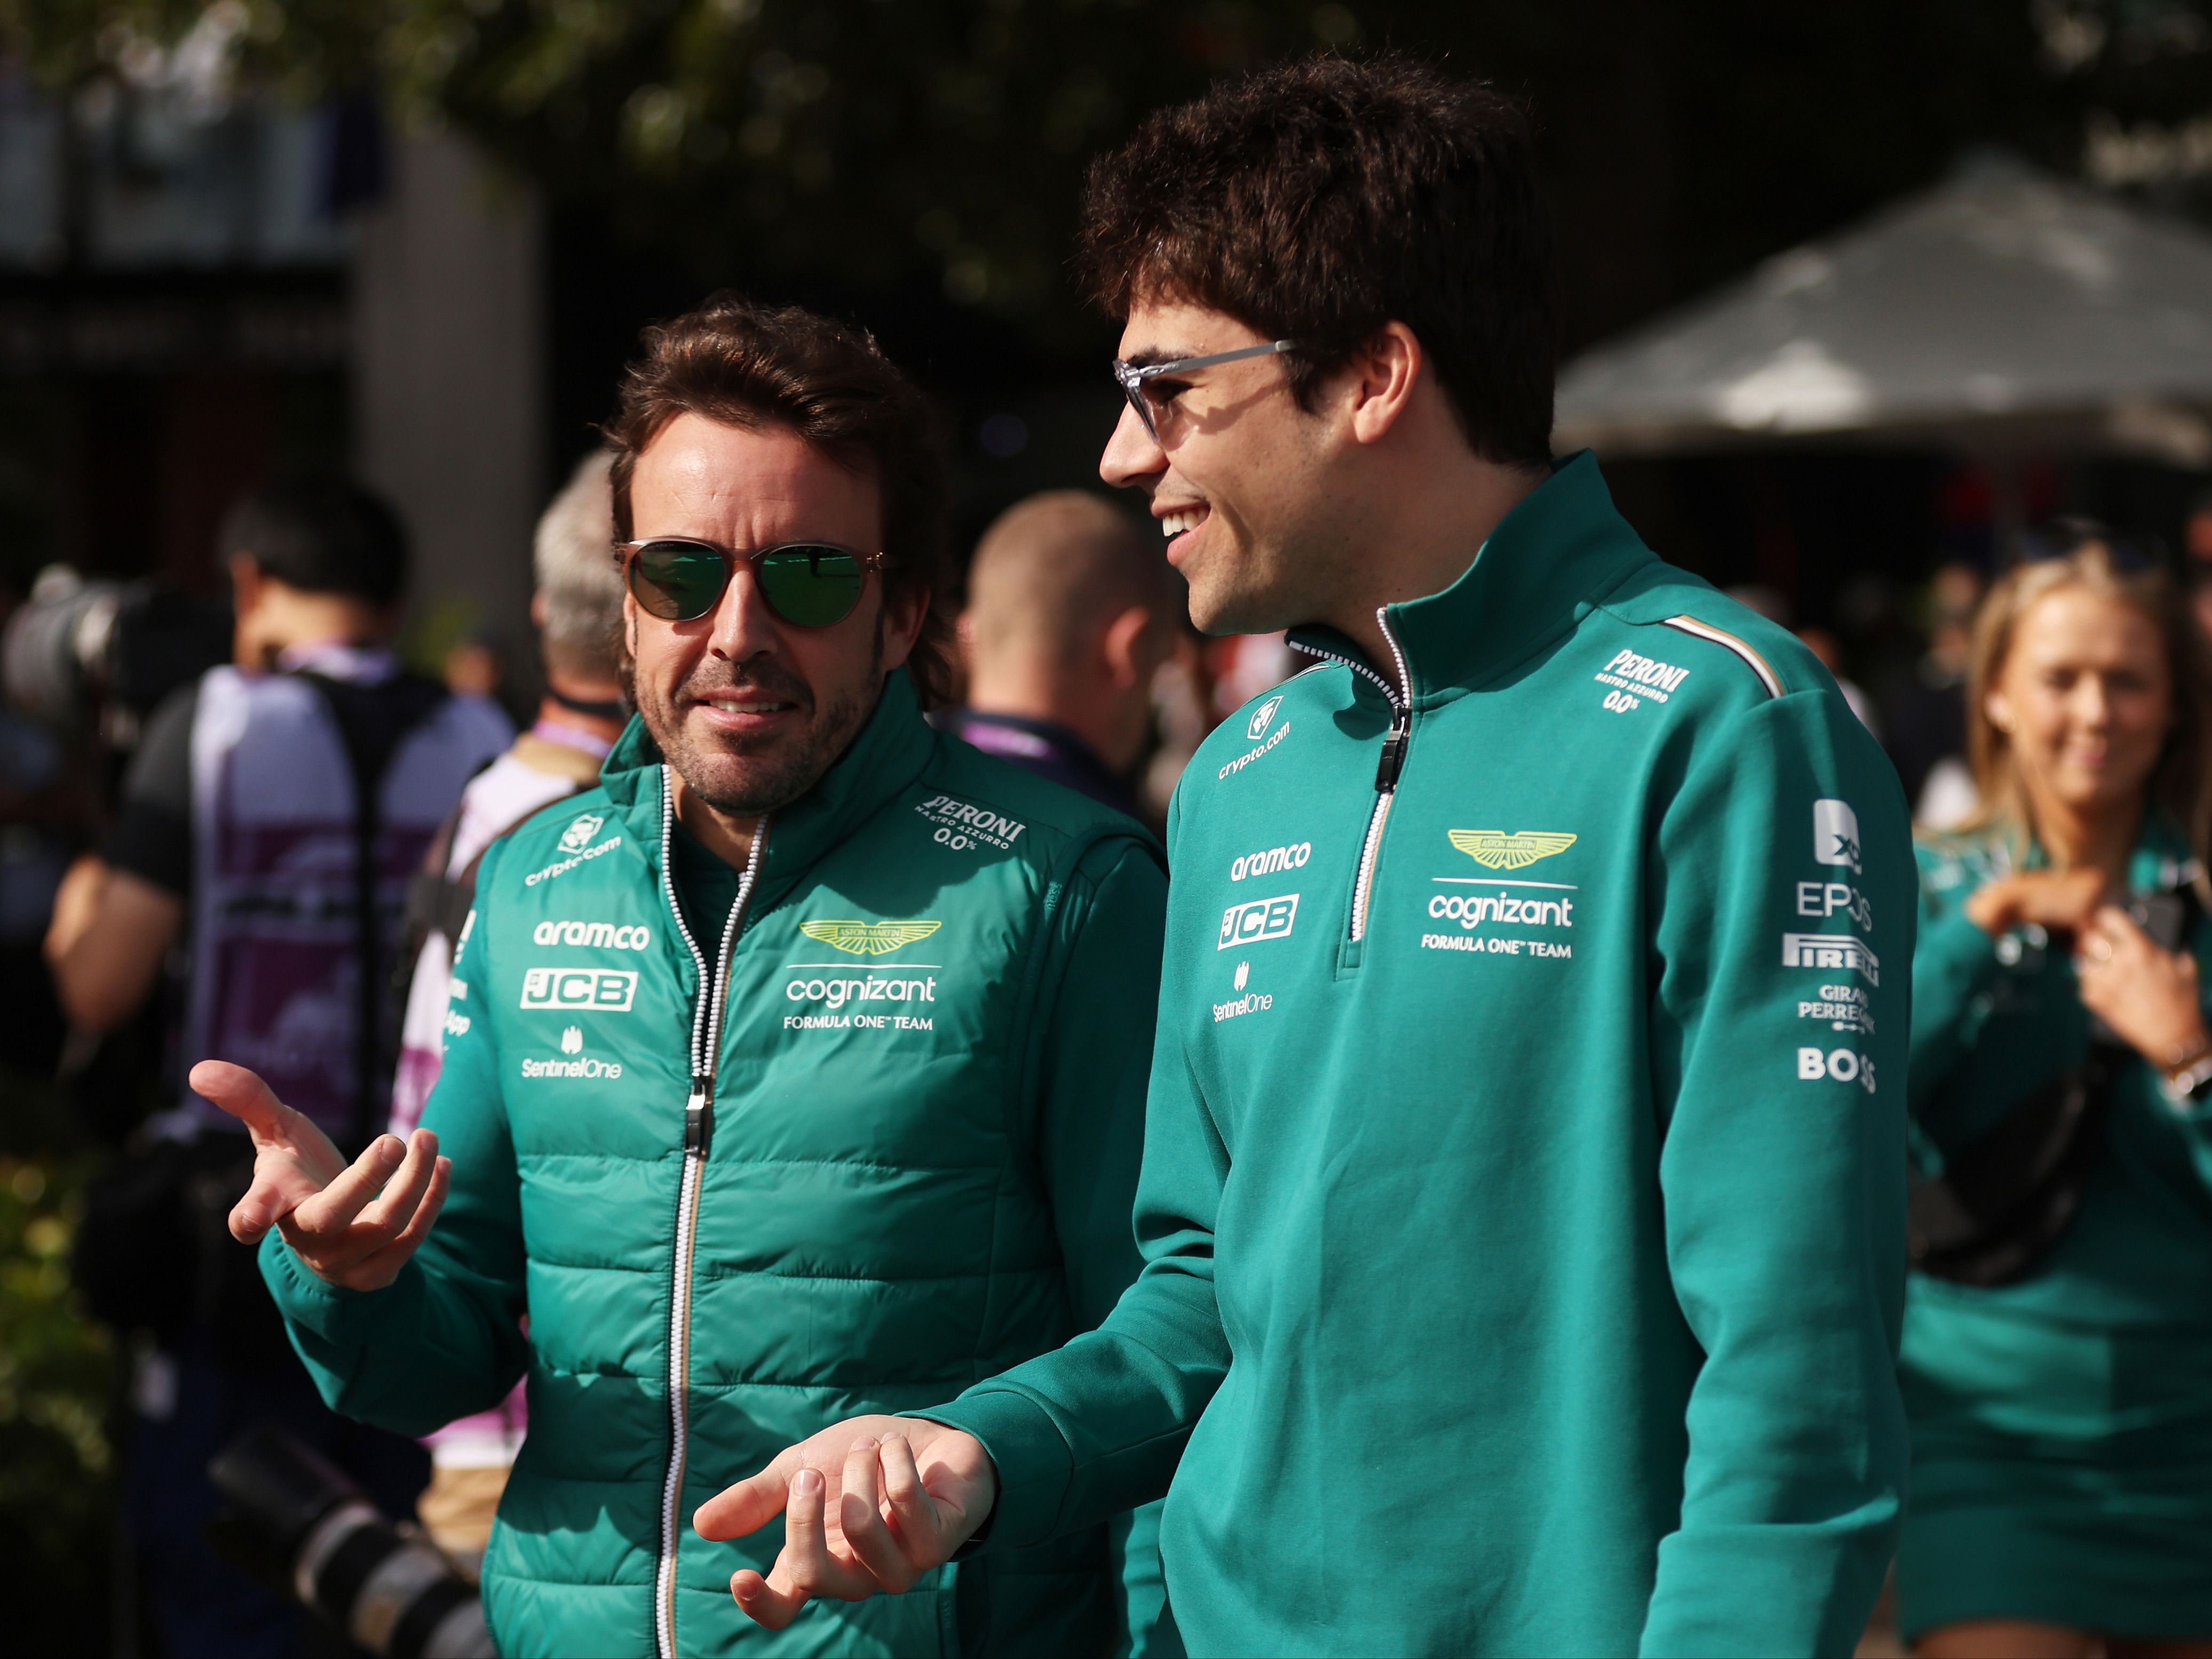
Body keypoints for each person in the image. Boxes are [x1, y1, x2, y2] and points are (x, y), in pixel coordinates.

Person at [701, 55, 1915, 1657]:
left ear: (1371, 375)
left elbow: (1795, 1365)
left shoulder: (1725, 725)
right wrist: (977, 1450)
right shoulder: (1241, 776)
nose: (1125, 458)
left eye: (1168, 390)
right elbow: (1201, 1296)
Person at [199, 297, 1170, 1657]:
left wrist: (970, 1455)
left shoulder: (1065, 887)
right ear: (625, 602)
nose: (735, 631)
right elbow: (446, 1351)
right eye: (680, 574)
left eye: (810, 578)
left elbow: (1177, 1332)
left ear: (902, 611)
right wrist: (346, 1276)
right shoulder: (535, 881)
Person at [44, 477, 511, 1657]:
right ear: (397, 605)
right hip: (413, 1222)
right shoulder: (479, 739)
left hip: (241, 1225)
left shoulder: (206, 724)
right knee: (392, 1595)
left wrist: (88, 870)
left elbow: (98, 984)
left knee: (227, 1571)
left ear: (248, 584)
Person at [1894, 543, 2212, 1657]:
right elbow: (1852, 1103)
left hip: (2191, 1438)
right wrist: (1982, 930)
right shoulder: (1919, 881)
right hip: (1981, 1438)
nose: (2093, 711)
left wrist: (2184, 1051)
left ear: (2173, 702)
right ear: (1992, 691)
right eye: (2058, 677)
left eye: (2126, 680)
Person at [386, 449, 630, 1572]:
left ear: (541, 612)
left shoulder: (480, 800)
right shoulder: (614, 838)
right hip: (569, 1432)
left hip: (460, 1392)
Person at [935, 490, 1177, 818]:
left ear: (968, 633)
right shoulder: (1109, 851)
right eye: (1157, 664)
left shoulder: (882, 789)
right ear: (1130, 651)